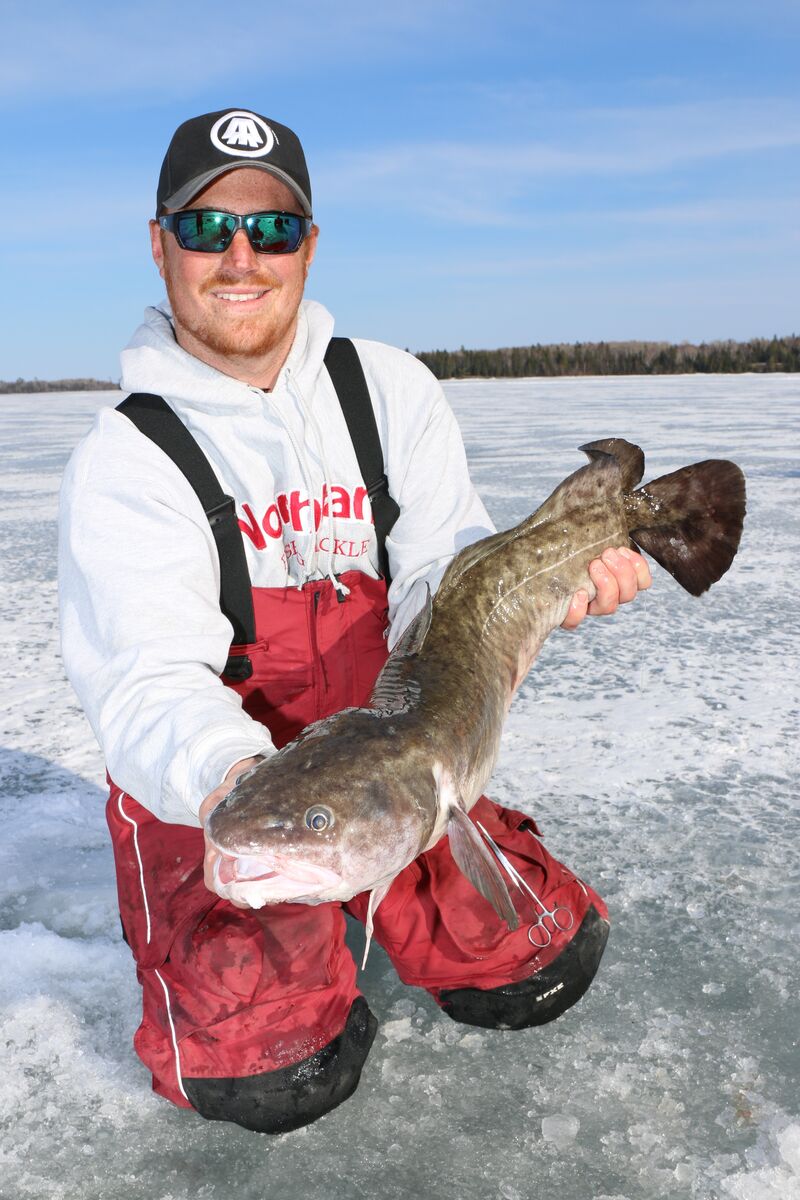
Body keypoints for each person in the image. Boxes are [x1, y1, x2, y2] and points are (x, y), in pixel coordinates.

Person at [58, 108, 651, 1135]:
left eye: (271, 229)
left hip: (387, 741)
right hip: (218, 784)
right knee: (274, 1081)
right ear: (160, 245)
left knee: (536, 970)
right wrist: (248, 791)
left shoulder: (386, 390)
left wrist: (550, 594)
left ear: (308, 246)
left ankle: (363, 874)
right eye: (206, 230)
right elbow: (146, 679)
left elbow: (440, 587)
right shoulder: (127, 459)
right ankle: (302, 896)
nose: (240, 258)